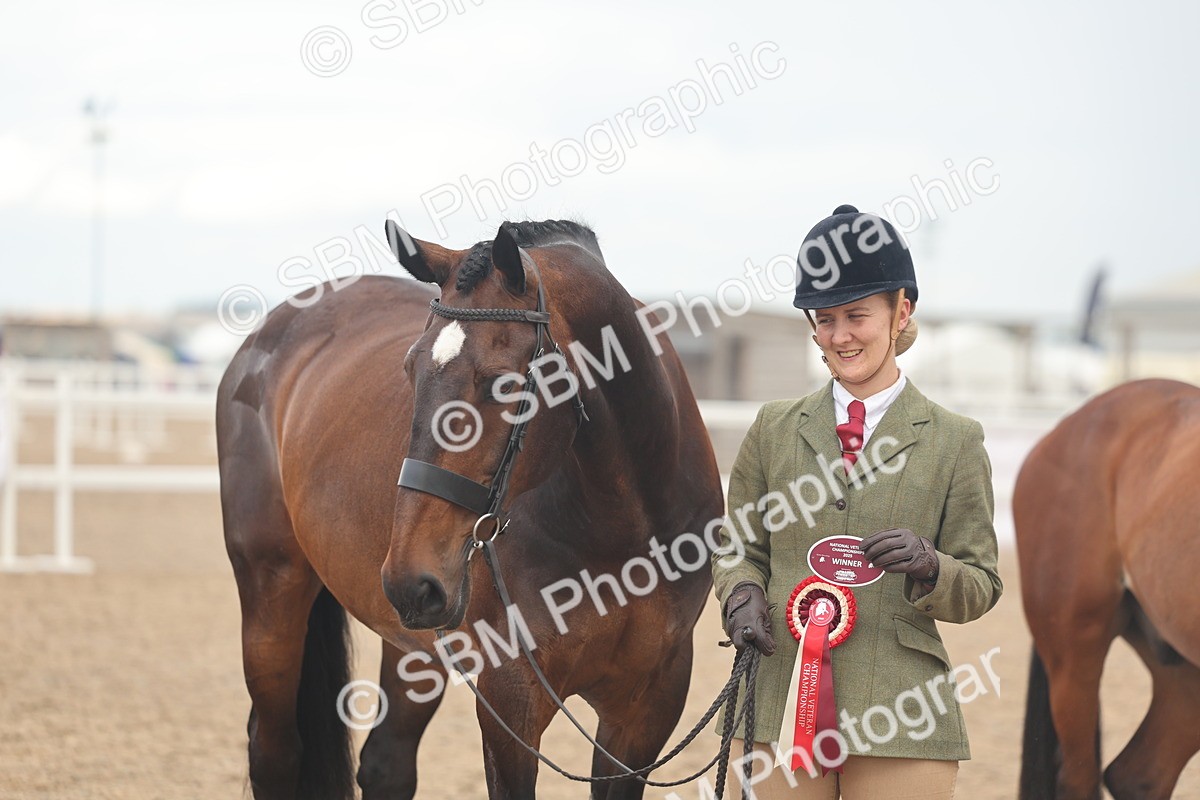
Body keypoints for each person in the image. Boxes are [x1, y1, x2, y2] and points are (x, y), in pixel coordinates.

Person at [712, 205, 1002, 799]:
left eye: (856, 316)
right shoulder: (773, 428)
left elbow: (981, 583)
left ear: (902, 312)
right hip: (778, 700)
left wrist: (931, 565)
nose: (840, 336)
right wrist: (740, 593)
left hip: (903, 709)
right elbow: (738, 544)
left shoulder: (955, 439)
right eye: (824, 320)